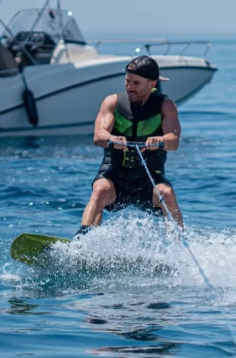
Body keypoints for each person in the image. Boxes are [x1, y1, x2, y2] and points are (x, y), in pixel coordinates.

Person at [77, 55, 183, 237]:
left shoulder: (165, 105)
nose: (129, 87)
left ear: (152, 83)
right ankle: (82, 242)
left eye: (136, 83)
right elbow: (98, 136)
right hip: (115, 177)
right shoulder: (113, 102)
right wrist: (112, 138)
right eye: (127, 81)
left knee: (167, 193)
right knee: (100, 189)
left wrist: (160, 140)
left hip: (148, 180)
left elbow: (173, 142)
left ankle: (179, 247)